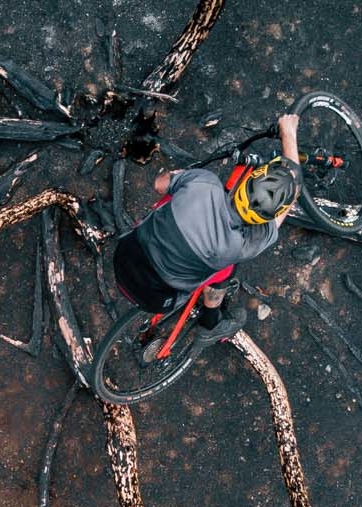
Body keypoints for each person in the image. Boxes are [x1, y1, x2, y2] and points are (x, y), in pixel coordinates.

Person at [110, 112, 302, 344]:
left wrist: (179, 176)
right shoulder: (240, 245)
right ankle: (211, 322)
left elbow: (159, 184)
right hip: (155, 299)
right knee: (225, 270)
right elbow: (289, 200)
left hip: (123, 257)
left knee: (171, 202)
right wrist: (289, 138)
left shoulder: (203, 183)